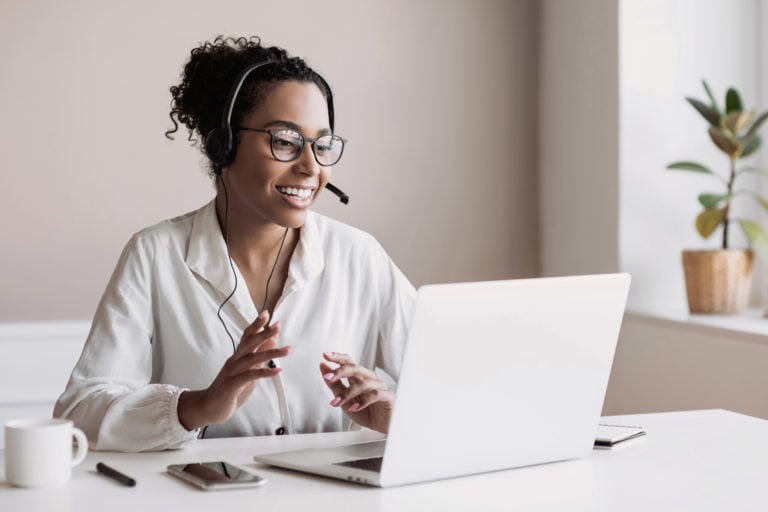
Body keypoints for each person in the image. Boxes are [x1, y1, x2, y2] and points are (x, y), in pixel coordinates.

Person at [54, 36, 416, 452]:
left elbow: (454, 390)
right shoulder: (155, 255)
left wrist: (396, 415)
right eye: (285, 141)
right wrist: (197, 406)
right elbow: (79, 413)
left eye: (322, 145)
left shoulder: (359, 256)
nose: (311, 168)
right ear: (223, 145)